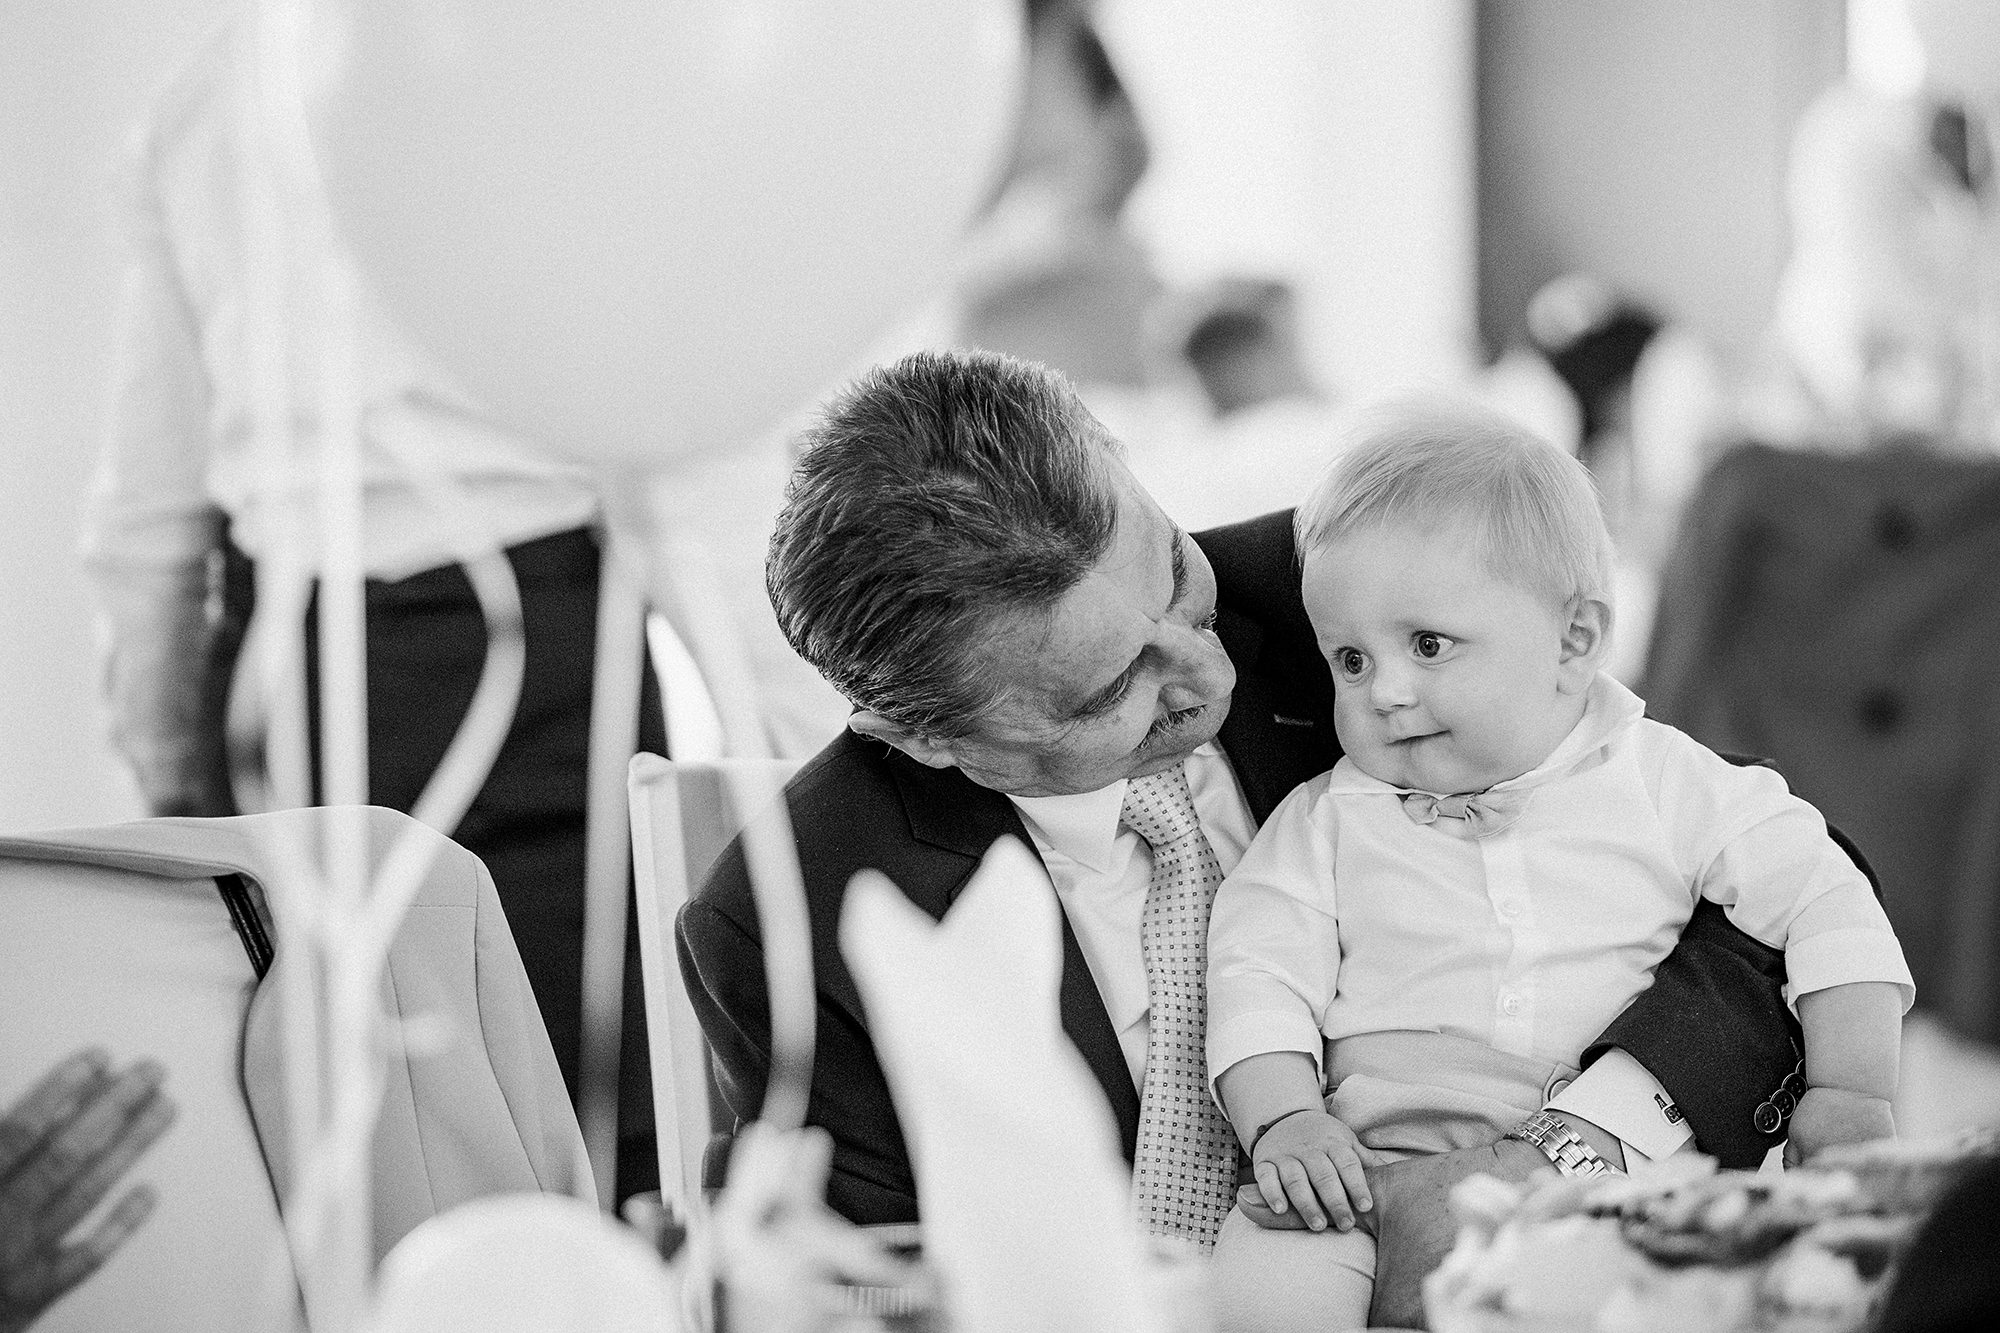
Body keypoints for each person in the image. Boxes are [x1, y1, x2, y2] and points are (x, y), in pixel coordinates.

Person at [677, 350, 1828, 1323]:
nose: (1204, 669)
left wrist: (1565, 1152)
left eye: (1173, 576)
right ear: (926, 737)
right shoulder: (795, 913)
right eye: (1110, 688)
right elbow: (839, 1285)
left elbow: (1772, 881)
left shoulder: (1372, 589)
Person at [79, 17, 662, 1198]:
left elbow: (148, 515)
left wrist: (173, 782)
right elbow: (687, 465)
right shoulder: (572, 66)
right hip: (507, 630)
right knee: (570, 1133)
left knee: (337, 1148)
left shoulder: (214, 92)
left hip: (324, 650)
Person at [1202, 398, 1914, 1330]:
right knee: (1264, 1283)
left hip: (1606, 1183)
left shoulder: (1664, 779)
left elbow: (1826, 896)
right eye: (1351, 660)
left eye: (1427, 645)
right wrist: (1285, 1117)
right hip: (1359, 1167)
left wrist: (1851, 1085)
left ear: (1573, 641)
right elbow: (1256, 969)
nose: (1386, 692)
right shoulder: (1328, 817)